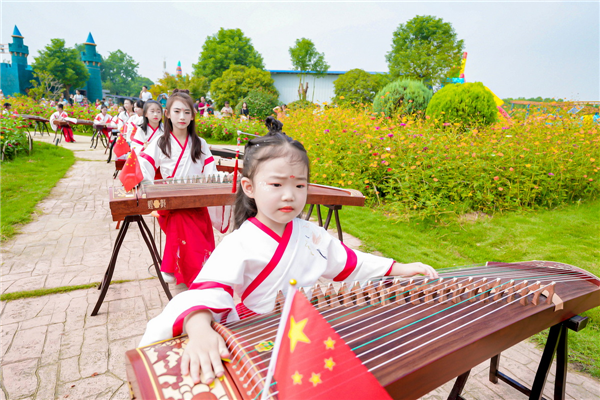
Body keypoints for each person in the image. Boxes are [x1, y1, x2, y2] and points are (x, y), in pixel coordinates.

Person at [139, 130, 438, 385]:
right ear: (249, 187)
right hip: (257, 333)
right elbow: (209, 290)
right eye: (277, 184)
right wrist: (199, 328)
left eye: (299, 185)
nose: (289, 195)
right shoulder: (239, 243)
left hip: (305, 331)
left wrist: (399, 268)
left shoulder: (312, 234)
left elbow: (349, 262)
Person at [138, 89, 231, 286]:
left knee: (187, 221)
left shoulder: (200, 143)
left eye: (187, 112)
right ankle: (197, 277)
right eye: (177, 111)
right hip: (170, 205)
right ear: (168, 114)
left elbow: (210, 172)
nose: (182, 117)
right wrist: (146, 183)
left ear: (193, 115)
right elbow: (143, 165)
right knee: (180, 218)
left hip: (196, 202)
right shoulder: (160, 142)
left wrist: (219, 178)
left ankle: (174, 269)